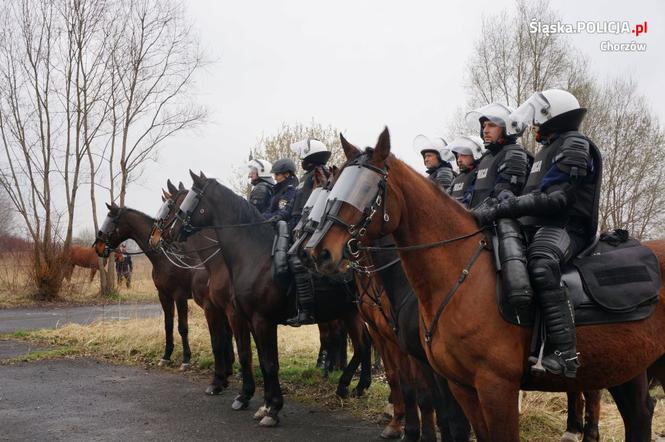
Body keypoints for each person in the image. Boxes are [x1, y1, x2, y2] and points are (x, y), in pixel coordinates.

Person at [473, 89, 601, 378]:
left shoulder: (574, 144)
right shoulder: (547, 149)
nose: (533, 126)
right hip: (541, 224)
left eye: (537, 120)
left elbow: (558, 199)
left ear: (551, 116)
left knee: (542, 265)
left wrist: (508, 207)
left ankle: (566, 353)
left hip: (567, 226)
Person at [285, 139, 332, 327]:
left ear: (310, 157)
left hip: (310, 228)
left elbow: (317, 205)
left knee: (298, 263)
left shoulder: (320, 174)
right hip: (296, 224)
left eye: (303, 156)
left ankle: (306, 311)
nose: (300, 160)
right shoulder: (306, 177)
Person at [448, 135, 484, 207]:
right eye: (458, 156)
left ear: (475, 154)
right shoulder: (457, 179)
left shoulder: (480, 173)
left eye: (463, 155)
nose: (459, 160)